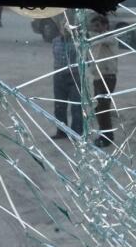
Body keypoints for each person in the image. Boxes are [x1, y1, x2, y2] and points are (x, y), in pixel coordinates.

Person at [50, 18, 82, 139]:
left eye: (68, 27)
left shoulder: (78, 43)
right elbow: (55, 56)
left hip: (75, 76)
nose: (66, 29)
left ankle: (77, 132)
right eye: (63, 27)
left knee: (76, 106)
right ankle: (61, 131)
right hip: (59, 76)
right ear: (60, 29)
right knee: (59, 106)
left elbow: (86, 60)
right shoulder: (55, 41)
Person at [89, 14, 118, 148]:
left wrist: (99, 32)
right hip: (98, 77)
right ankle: (104, 135)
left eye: (99, 25)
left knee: (103, 108)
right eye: (95, 25)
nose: (96, 28)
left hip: (108, 76)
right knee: (99, 108)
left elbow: (104, 39)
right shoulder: (95, 39)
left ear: (106, 25)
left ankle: (107, 137)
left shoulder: (110, 37)